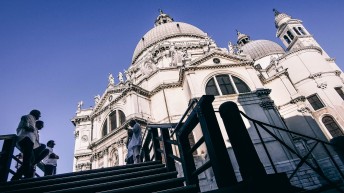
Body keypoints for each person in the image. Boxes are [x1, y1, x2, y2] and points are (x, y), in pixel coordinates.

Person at [11, 109, 41, 180]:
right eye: (39, 115)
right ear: (35, 114)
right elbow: (24, 120)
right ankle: (17, 178)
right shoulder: (29, 117)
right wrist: (27, 127)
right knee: (27, 160)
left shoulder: (33, 120)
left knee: (30, 160)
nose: (39, 117)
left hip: (28, 140)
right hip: (26, 138)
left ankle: (24, 177)